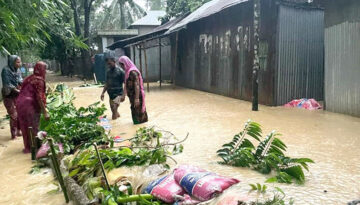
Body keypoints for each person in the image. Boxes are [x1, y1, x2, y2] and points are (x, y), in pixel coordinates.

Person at [16, 61, 49, 153]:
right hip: (29, 105)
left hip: (19, 104)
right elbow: (39, 97)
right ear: (41, 70)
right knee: (33, 126)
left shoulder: (28, 78)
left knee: (25, 126)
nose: (45, 72)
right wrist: (45, 112)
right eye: (45, 69)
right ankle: (35, 148)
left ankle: (27, 147)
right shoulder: (39, 80)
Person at [118, 56, 148, 125]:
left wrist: (137, 98)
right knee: (134, 110)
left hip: (137, 95)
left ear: (125, 64)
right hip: (132, 96)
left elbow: (137, 85)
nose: (121, 67)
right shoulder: (127, 72)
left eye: (121, 65)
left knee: (138, 111)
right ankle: (136, 126)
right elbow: (126, 84)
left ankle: (141, 126)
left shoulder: (133, 72)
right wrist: (123, 95)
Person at [1, 55, 22, 139]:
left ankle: (19, 131)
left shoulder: (18, 70)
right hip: (8, 95)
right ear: (12, 62)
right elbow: (8, 84)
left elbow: (20, 80)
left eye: (20, 62)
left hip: (17, 94)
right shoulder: (5, 70)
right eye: (17, 62)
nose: (19, 64)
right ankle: (13, 134)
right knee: (14, 115)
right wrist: (19, 91)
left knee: (20, 112)